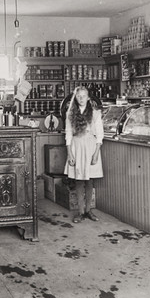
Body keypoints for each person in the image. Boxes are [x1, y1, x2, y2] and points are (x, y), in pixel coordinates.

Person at [64, 86, 104, 223]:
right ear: (75, 98)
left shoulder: (95, 113)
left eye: (83, 96)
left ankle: (88, 210)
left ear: (88, 98)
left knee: (89, 179)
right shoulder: (70, 114)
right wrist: (70, 154)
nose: (81, 99)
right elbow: (68, 134)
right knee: (79, 179)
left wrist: (96, 153)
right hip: (76, 146)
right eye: (78, 96)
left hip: (91, 146)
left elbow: (99, 134)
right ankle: (80, 212)